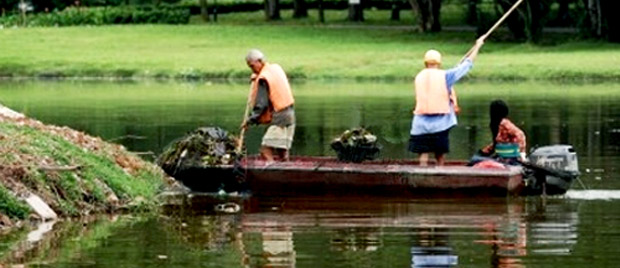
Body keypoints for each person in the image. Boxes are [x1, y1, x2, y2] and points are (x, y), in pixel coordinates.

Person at [409, 38, 485, 166]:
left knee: (423, 154)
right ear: (439, 62)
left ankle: (421, 175)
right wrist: (477, 46)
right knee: (440, 155)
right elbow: (467, 65)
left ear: (425, 63)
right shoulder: (446, 76)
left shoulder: (419, 76)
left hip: (420, 125)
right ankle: (440, 173)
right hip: (440, 124)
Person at [241, 49, 295, 162]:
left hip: (280, 117)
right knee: (282, 150)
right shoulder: (275, 68)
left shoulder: (263, 78)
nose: (252, 69)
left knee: (265, 149)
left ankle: (273, 172)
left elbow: (261, 105)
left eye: (252, 66)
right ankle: (285, 171)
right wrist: (257, 75)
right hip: (290, 115)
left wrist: (250, 120)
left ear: (259, 61)